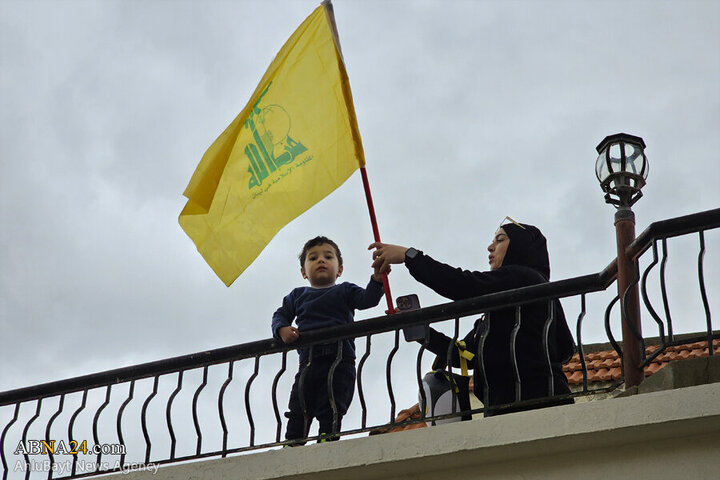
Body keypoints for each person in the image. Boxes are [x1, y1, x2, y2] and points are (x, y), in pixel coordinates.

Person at [369, 221, 575, 416]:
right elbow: (462, 355)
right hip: (509, 406)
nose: (490, 247)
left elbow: (462, 284)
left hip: (535, 404)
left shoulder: (524, 276)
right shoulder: (494, 315)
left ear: (521, 247)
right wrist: (419, 328)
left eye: (500, 240)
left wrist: (409, 256)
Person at [272, 236, 385, 444]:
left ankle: (327, 440)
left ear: (339, 269)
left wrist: (377, 280)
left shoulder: (345, 290)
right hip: (308, 363)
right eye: (313, 258)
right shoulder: (297, 295)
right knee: (299, 406)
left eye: (328, 256)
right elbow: (279, 315)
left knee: (331, 405)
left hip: (340, 360)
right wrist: (282, 330)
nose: (321, 260)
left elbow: (368, 300)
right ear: (304, 272)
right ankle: (293, 444)